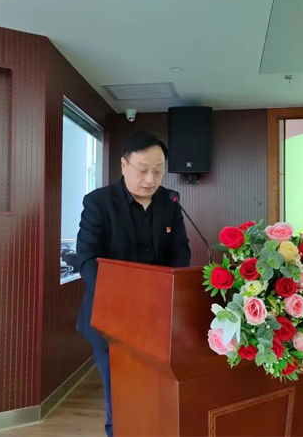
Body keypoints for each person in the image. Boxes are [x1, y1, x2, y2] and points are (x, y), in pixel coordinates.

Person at [75, 130, 191, 437]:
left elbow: (181, 252)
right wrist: (122, 299)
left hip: (158, 317)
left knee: (157, 393)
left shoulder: (170, 202)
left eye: (158, 171)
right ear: (124, 165)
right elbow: (87, 258)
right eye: (143, 170)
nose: (151, 179)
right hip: (111, 318)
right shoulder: (98, 202)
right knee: (121, 395)